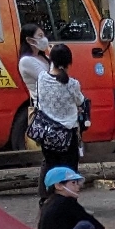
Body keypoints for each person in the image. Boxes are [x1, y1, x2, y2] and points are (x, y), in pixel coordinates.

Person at [28, 42, 85, 172]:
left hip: (46, 134)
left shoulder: (42, 78)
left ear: (51, 60)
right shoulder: (73, 84)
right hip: (68, 136)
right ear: (69, 62)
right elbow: (80, 101)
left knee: (51, 168)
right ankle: (65, 191)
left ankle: (49, 191)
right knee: (69, 172)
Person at [36, 165, 115, 229]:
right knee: (85, 226)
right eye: (73, 183)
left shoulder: (48, 203)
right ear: (59, 186)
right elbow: (88, 219)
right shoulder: (66, 202)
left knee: (77, 224)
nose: (78, 186)